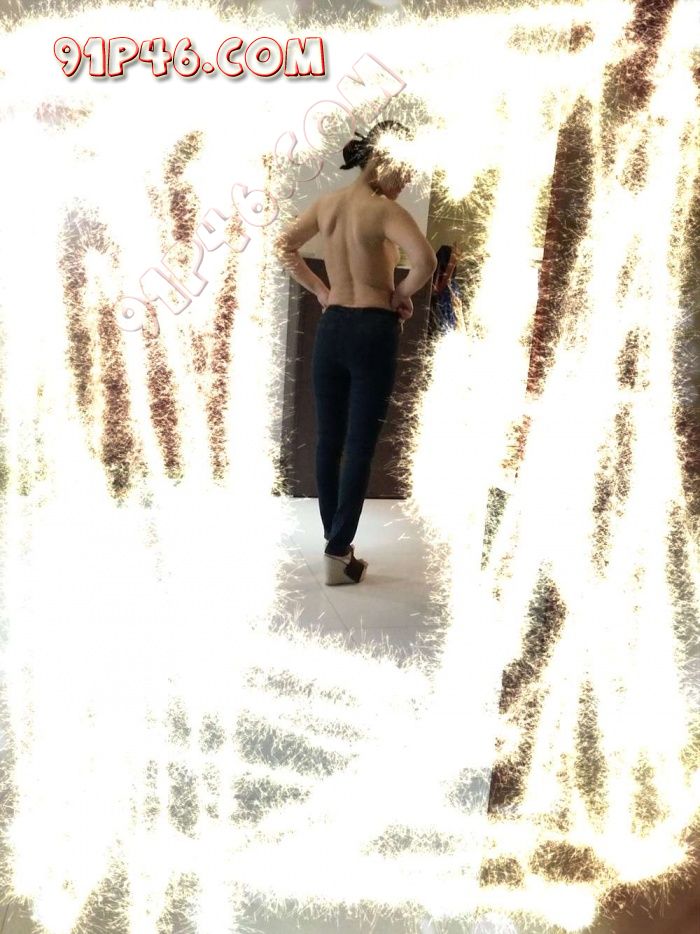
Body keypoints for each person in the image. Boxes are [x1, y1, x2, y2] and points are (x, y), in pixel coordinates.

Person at [276, 120, 437, 585]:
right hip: (372, 330)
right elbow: (425, 261)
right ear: (386, 160)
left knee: (329, 440)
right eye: (405, 170)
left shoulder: (327, 205)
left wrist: (321, 290)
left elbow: (284, 245)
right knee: (359, 445)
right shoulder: (384, 210)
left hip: (332, 329)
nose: (406, 181)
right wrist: (401, 294)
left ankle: (335, 544)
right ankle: (337, 549)